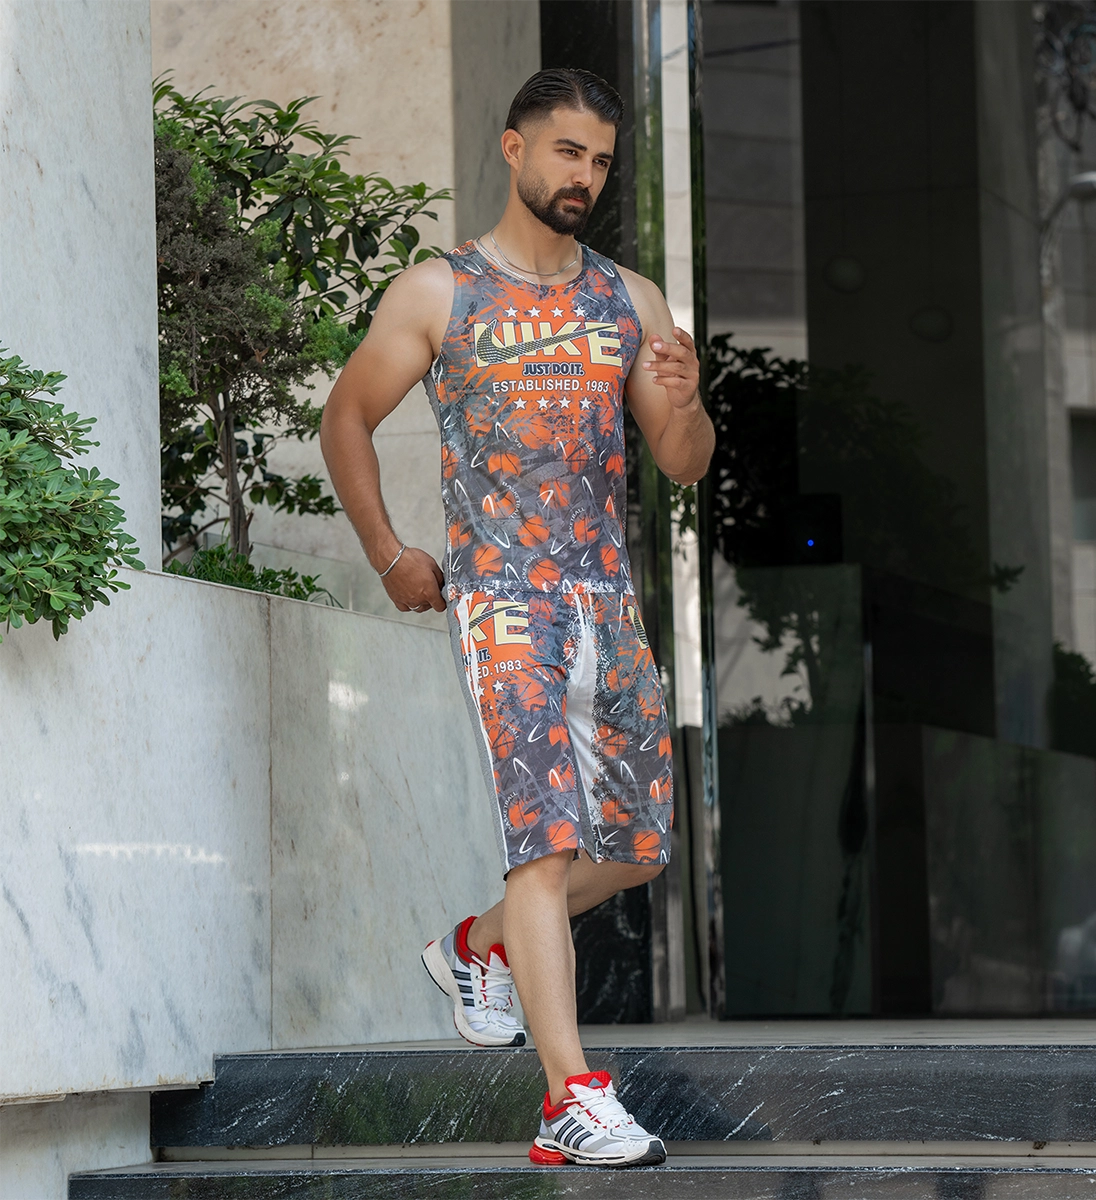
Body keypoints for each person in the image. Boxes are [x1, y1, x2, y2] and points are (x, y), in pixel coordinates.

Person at [320, 67, 713, 1168]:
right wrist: (390, 553)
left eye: (601, 160)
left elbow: (682, 463)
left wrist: (688, 402)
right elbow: (346, 417)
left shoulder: (630, 301)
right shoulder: (438, 292)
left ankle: (477, 945)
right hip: (501, 603)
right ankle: (569, 1099)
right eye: (567, 152)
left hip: (605, 600)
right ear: (514, 148)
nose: (585, 175)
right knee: (543, 841)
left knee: (636, 848)